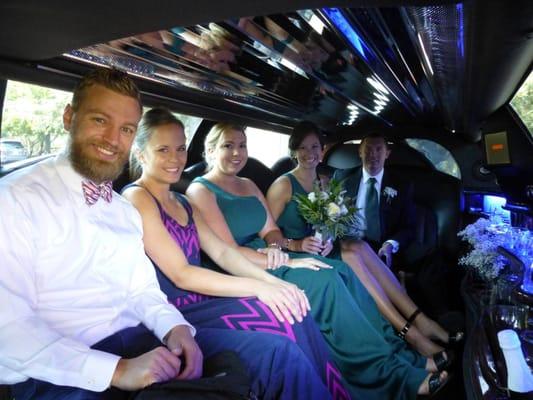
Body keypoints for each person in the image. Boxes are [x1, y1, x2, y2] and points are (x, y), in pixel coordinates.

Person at [186, 122, 449, 399]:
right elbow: (227, 252)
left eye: (242, 145)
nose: (237, 152)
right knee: (328, 281)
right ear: (211, 149)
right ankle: (393, 375)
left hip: (272, 256)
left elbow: (270, 230)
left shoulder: (249, 185)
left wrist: (276, 246)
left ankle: (405, 356)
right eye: (228, 145)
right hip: (243, 267)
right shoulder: (201, 191)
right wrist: (284, 258)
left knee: (342, 271)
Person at [0, 68, 203, 399]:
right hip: (60, 369)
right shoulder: (14, 199)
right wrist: (117, 370)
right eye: (99, 120)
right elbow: (7, 327)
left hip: (138, 342)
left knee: (262, 357)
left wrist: (176, 328)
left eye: (125, 129)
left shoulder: (123, 210)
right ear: (69, 117)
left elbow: (141, 289)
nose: (112, 139)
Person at [121, 107, 347, 399]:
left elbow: (224, 254)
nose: (175, 158)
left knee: (294, 310)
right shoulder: (138, 196)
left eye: (180, 148)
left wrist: (277, 283)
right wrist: (260, 287)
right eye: (162, 149)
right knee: (280, 336)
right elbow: (182, 273)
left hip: (202, 299)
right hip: (172, 310)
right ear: (141, 154)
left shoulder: (181, 200)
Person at [266, 121, 459, 358]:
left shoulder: (325, 181)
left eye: (315, 147)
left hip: (322, 248)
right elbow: (267, 234)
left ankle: (421, 321)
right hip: (296, 253)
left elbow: (327, 225)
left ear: (322, 149)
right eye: (303, 148)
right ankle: (412, 335)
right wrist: (295, 244)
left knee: (359, 246)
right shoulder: (282, 185)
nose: (309, 154)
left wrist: (327, 240)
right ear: (294, 150)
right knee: (350, 254)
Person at [333, 132, 464, 348]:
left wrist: (391, 244)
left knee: (433, 257)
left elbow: (409, 227)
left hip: (387, 246)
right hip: (353, 244)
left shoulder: (402, 184)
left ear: (387, 154)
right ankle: (407, 333)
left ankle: (434, 318)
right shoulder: (343, 179)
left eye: (378, 150)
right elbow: (333, 218)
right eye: (368, 149)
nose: (372, 155)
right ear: (359, 151)